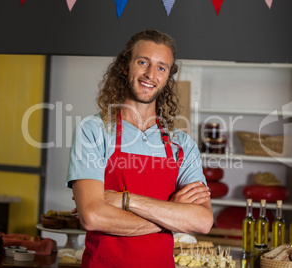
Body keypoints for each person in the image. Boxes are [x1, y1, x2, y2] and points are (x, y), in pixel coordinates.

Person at [66, 29, 213, 268]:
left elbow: (203, 221)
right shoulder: (93, 131)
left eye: (161, 67)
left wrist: (126, 201)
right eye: (143, 62)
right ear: (125, 67)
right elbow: (93, 217)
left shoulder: (181, 144)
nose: (150, 74)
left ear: (167, 78)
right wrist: (172, 216)